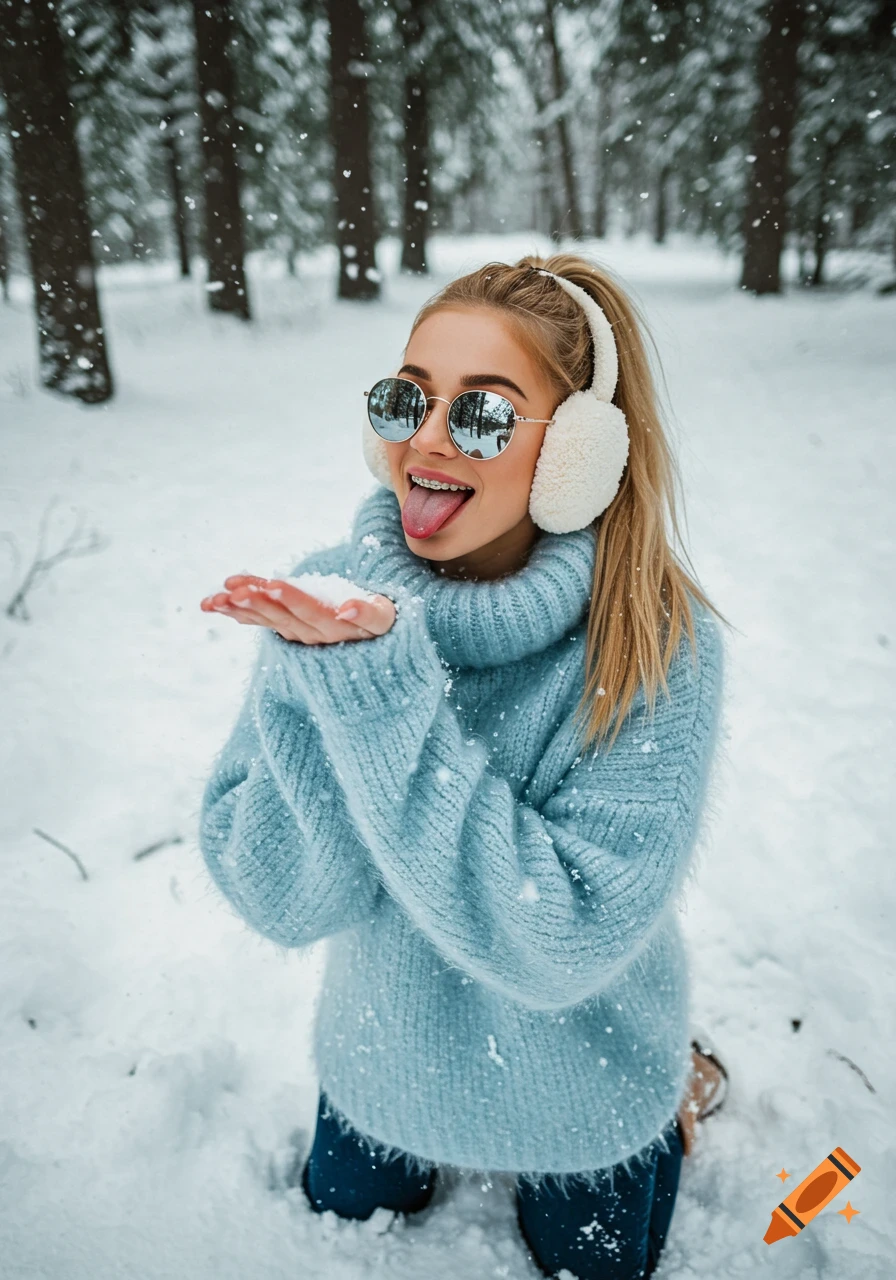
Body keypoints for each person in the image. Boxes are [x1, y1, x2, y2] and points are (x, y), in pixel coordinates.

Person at [198, 252, 728, 1279]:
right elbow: (280, 898)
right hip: (380, 1050)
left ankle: (677, 1076)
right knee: (342, 1212)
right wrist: (331, 691)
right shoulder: (328, 602)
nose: (427, 439)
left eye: (482, 414)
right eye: (406, 399)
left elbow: (559, 938)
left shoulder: (652, 640)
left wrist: (388, 703)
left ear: (576, 451)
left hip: (585, 1074)